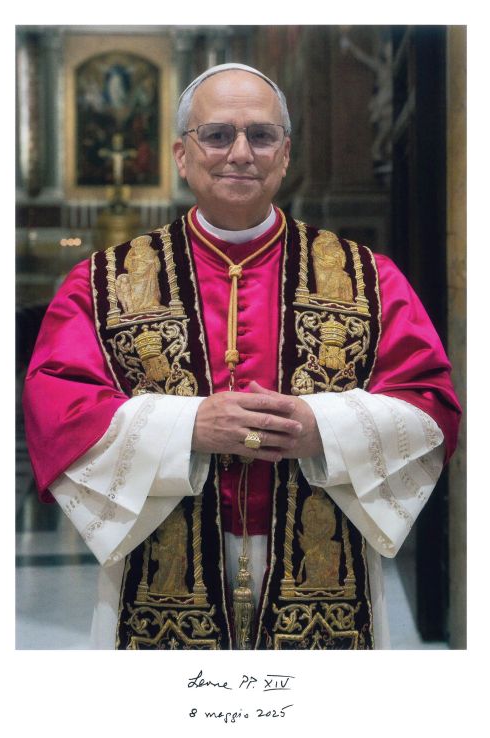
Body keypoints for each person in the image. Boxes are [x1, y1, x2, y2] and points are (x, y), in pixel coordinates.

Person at [23, 63, 461, 650]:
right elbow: (56, 408)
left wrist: (324, 428)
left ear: (285, 153)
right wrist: (188, 426)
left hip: (325, 561)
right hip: (157, 562)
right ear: (182, 155)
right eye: (217, 135)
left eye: (261, 135)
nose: (240, 153)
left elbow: (431, 405)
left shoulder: (368, 278)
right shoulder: (103, 283)